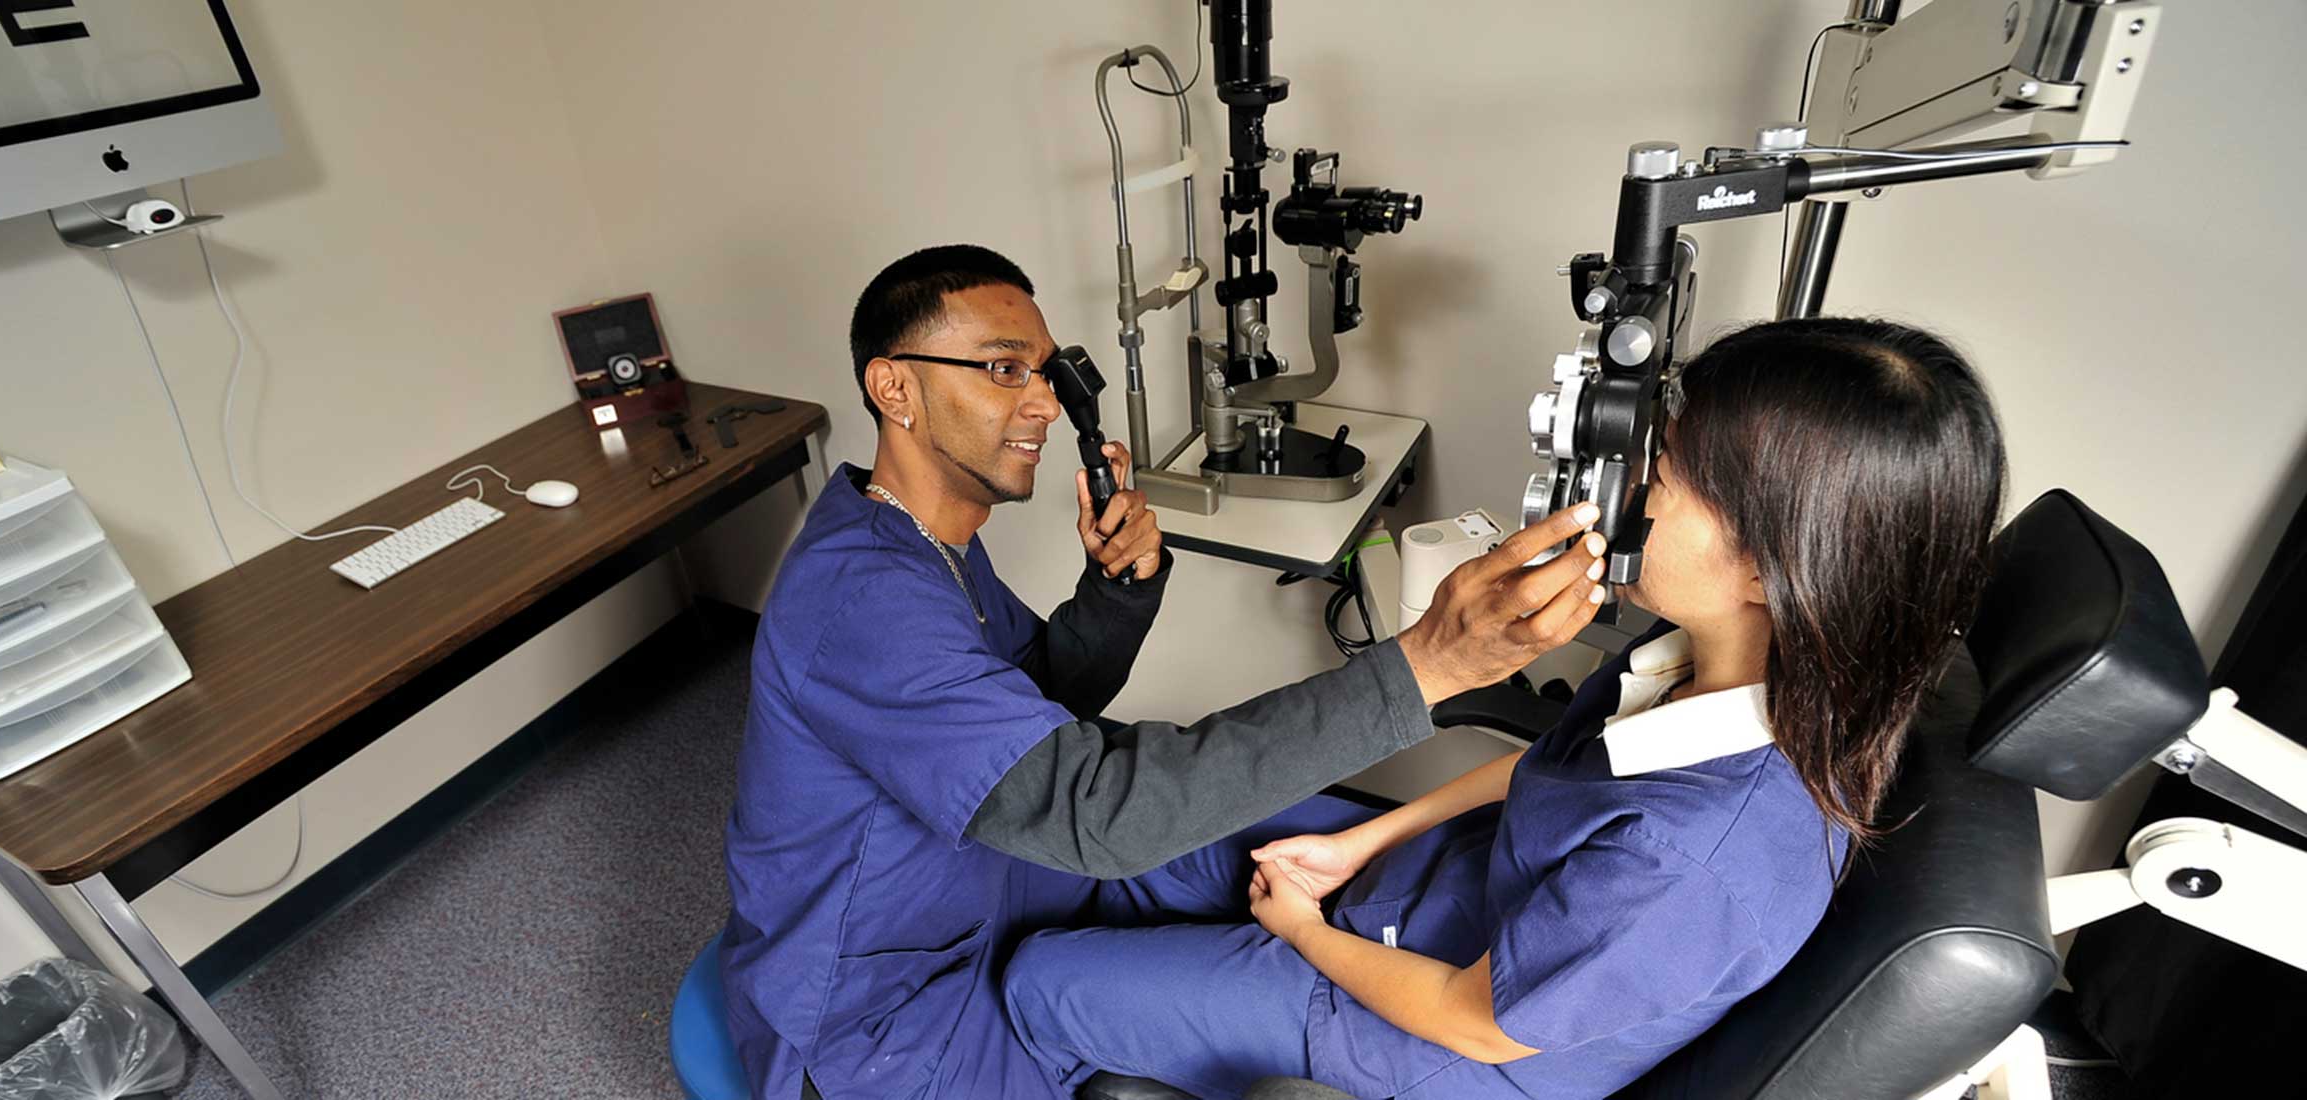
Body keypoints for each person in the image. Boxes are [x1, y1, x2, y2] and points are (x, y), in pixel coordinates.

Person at [1004, 316, 2009, 1100]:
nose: (1629, 493)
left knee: (1039, 984)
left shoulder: (1700, 859)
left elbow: (1478, 1018)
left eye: (1664, 476)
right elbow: (1556, 771)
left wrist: (1305, 931)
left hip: (1437, 1038)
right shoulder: (1699, 667)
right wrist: (1365, 842)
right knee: (1147, 830)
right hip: (1436, 890)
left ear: (1770, 564)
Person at [721, 244, 1611, 1100]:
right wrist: (1420, 669)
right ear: (894, 388)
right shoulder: (862, 598)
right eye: (1002, 369)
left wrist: (1114, 592)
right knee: (1156, 869)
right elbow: (1092, 811)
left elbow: (1028, 700)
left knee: (1250, 849)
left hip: (1001, 879)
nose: (1038, 404)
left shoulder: (929, 546)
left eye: (1045, 371)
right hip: (880, 1009)